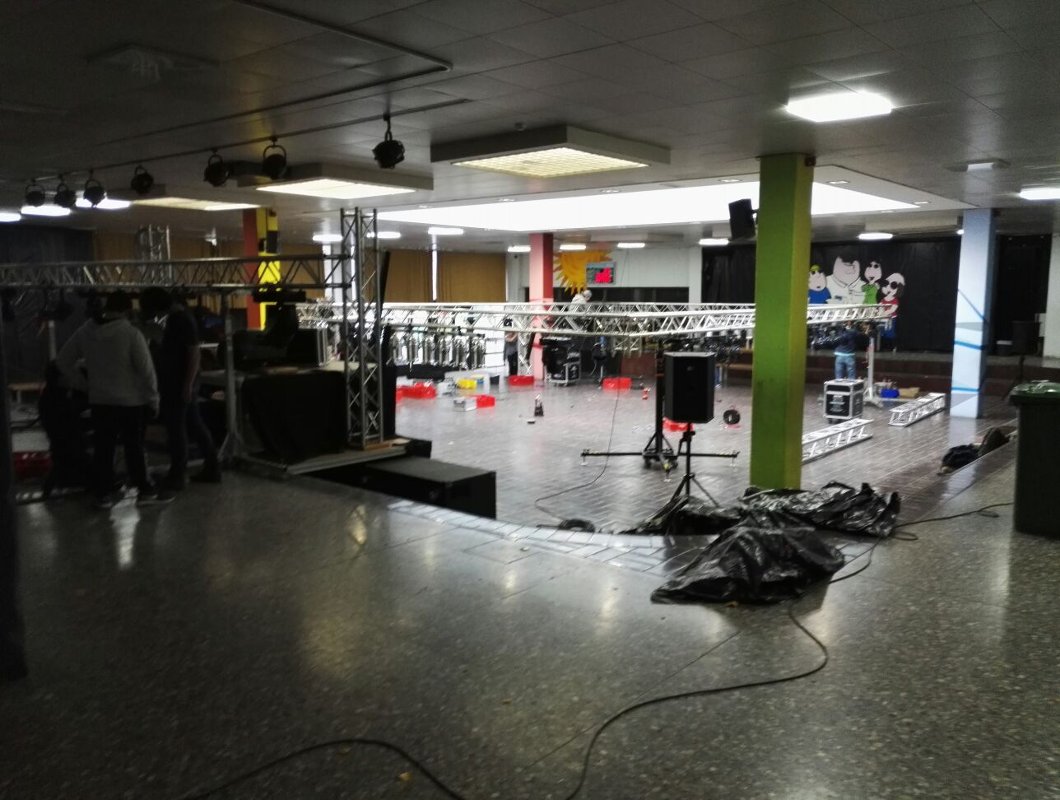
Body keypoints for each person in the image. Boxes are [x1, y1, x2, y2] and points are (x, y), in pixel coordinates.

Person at [56, 291, 171, 508]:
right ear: (127, 310)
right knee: (134, 448)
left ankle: (102, 494)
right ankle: (145, 490)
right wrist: (154, 399)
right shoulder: (131, 334)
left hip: (100, 400)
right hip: (131, 402)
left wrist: (83, 384)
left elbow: (62, 360)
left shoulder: (85, 331)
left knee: (103, 449)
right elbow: (147, 371)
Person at [140, 288, 221, 488]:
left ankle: (178, 474)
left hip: (179, 383)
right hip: (181, 382)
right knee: (193, 425)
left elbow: (194, 353)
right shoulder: (180, 318)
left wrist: (187, 385)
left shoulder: (181, 320)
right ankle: (211, 467)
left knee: (177, 428)